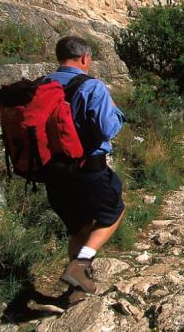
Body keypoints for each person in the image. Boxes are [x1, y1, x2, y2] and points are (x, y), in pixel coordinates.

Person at [45, 36, 126, 305]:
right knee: (113, 212)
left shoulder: (43, 86)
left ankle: (76, 289)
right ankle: (81, 264)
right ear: (84, 58)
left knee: (78, 228)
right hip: (88, 169)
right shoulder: (93, 87)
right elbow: (108, 129)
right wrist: (116, 112)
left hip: (53, 172)